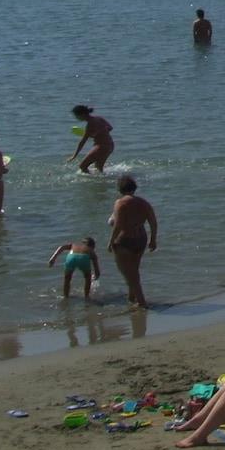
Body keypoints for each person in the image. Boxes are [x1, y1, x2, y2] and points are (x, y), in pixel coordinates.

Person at [109, 175, 157, 308]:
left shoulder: (120, 203)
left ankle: (142, 302)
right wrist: (153, 239)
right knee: (134, 270)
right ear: (134, 188)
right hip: (141, 239)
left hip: (124, 240)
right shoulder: (144, 203)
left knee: (128, 273)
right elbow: (153, 222)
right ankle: (131, 297)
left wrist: (111, 241)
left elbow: (118, 225)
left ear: (120, 189)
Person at [69, 104, 114, 175]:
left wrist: (74, 155)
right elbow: (110, 128)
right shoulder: (99, 118)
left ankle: (92, 179)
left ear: (82, 115)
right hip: (110, 145)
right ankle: (102, 180)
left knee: (82, 166)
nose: (76, 118)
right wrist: (98, 133)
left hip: (101, 147)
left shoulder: (90, 124)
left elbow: (83, 141)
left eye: (76, 116)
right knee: (98, 167)